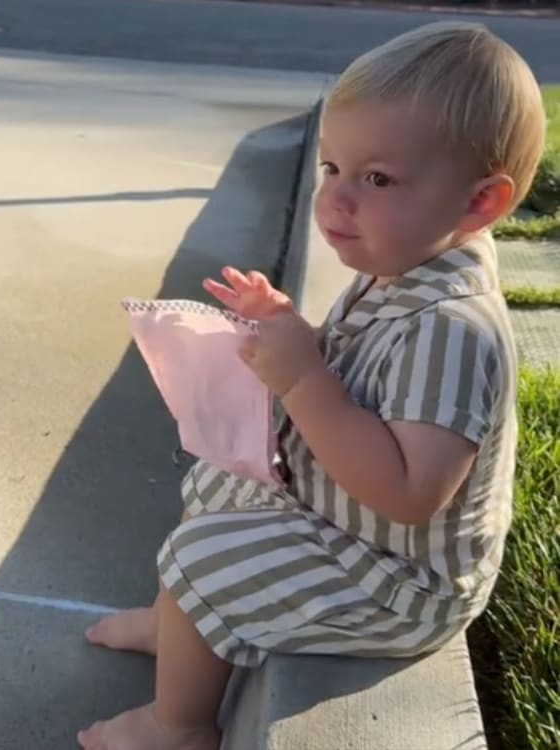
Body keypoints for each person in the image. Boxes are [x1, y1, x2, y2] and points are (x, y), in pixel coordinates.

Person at [79, 21, 544, 750]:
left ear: (479, 203)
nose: (337, 199)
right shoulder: (408, 261)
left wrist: (303, 378)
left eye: (377, 179)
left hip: (401, 580)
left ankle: (176, 726)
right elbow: (362, 372)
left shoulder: (453, 330)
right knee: (217, 484)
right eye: (332, 168)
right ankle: (176, 622)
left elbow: (408, 494)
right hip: (356, 527)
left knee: (209, 561)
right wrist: (289, 327)